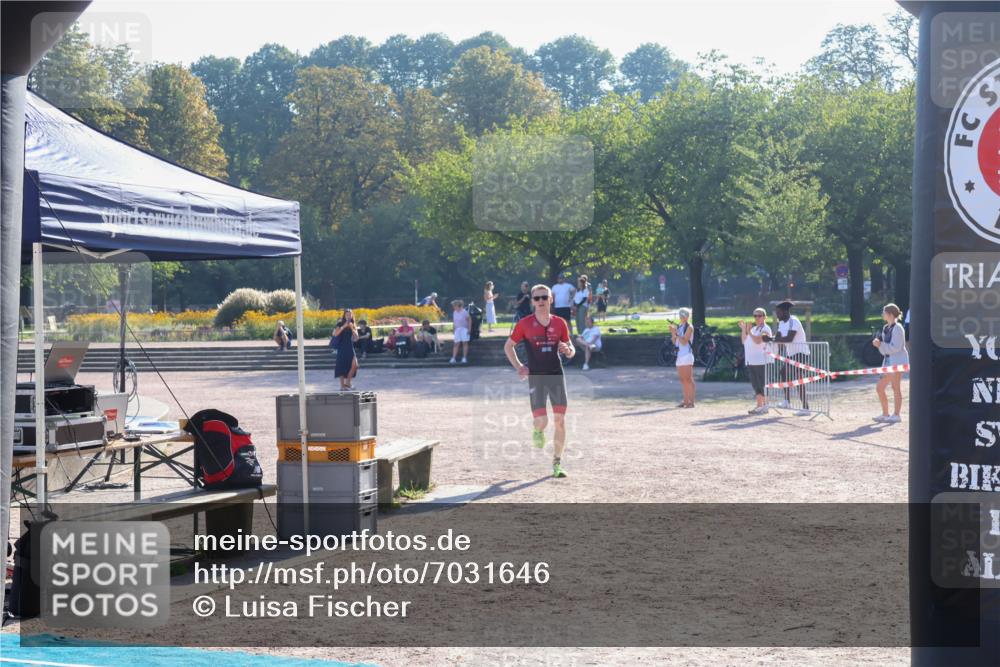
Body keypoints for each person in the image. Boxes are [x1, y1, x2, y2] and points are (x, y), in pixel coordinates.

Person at [504, 284, 575, 478]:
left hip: (556, 375)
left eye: (545, 297)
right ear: (532, 301)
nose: (541, 301)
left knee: (560, 420)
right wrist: (519, 367)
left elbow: (570, 347)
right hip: (536, 377)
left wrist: (568, 350)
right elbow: (508, 346)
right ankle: (538, 431)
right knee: (541, 421)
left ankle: (557, 463)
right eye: (537, 298)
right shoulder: (525, 324)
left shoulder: (560, 323)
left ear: (551, 299)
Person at [762, 300, 810, 416]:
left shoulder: (794, 321)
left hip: (801, 353)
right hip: (791, 354)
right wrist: (769, 338)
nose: (777, 315)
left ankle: (806, 408)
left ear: (784, 312)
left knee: (798, 378)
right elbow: (778, 337)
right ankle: (787, 401)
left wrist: (771, 339)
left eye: (778, 312)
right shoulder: (782, 323)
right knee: (783, 373)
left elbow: (789, 339)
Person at [873, 303, 908, 423]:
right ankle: (885, 414)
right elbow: (885, 351)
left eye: (884, 312)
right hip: (887, 362)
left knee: (895, 387)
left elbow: (896, 347)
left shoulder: (898, 328)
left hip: (897, 362)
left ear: (891, 314)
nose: (882, 314)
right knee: (879, 388)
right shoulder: (885, 328)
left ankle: (897, 415)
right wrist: (879, 345)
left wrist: (880, 345)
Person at [740, 307, 772, 415]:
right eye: (755, 316)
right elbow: (744, 340)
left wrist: (749, 331)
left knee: (763, 383)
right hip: (752, 360)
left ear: (764, 317)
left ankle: (766, 405)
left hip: (762, 360)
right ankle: (759, 405)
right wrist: (744, 329)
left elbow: (758, 341)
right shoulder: (754, 329)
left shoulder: (765, 329)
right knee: (756, 384)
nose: (757, 318)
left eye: (759, 315)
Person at [670, 308, 696, 408]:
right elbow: (675, 342)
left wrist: (676, 333)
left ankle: (692, 402)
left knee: (688, 379)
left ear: (687, 316)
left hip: (687, 355)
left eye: (683, 315)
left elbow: (684, 341)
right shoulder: (680, 327)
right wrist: (673, 333)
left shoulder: (690, 327)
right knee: (682, 380)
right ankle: (685, 401)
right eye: (680, 315)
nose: (681, 317)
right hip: (680, 355)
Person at [332, 309, 359, 390]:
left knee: (355, 365)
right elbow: (335, 334)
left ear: (352, 315)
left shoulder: (353, 324)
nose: (348, 316)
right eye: (347, 314)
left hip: (350, 347)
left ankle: (348, 382)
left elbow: (357, 338)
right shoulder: (340, 323)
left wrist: (351, 328)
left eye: (350, 315)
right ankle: (342, 386)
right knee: (341, 365)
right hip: (342, 347)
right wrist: (344, 326)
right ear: (344, 315)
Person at [450, 300, 471, 364]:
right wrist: (453, 329)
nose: (454, 307)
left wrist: (469, 329)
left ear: (458, 306)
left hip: (464, 329)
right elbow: (454, 321)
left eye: (454, 306)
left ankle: (464, 358)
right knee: (456, 343)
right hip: (457, 329)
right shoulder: (454, 312)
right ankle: (453, 358)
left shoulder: (465, 312)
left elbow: (469, 320)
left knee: (465, 343)